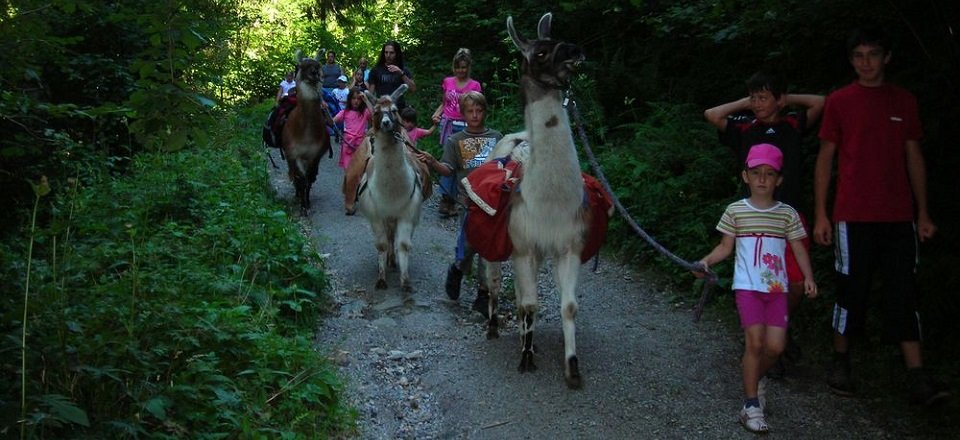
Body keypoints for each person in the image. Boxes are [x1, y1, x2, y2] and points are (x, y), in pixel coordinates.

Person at [814, 27, 950, 406]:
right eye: (858, 55)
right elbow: (826, 159)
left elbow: (914, 158)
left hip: (897, 216)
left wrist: (923, 213)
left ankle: (917, 376)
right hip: (851, 215)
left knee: (904, 293)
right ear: (851, 60)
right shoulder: (839, 101)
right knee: (850, 291)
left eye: (873, 54)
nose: (866, 62)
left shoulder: (903, 101)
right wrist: (822, 214)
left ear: (886, 57)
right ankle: (840, 360)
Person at [703, 71, 825, 378]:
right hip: (755, 223)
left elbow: (821, 102)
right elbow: (712, 114)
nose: (757, 103)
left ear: (780, 99)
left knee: (795, 284)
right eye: (754, 97)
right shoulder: (745, 128)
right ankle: (768, 342)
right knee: (759, 284)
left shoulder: (794, 125)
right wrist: (749, 100)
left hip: (791, 219)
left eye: (763, 98)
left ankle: (778, 327)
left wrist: (783, 99)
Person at [695, 143, 817, 434]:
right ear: (745, 176)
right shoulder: (735, 211)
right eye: (756, 172)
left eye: (769, 173)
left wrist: (809, 278)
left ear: (779, 180)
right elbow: (726, 247)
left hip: (777, 290)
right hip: (747, 288)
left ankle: (754, 378)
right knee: (756, 343)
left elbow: (798, 248)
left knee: (775, 347)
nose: (762, 178)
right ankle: (751, 405)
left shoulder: (787, 214)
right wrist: (705, 262)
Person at [416, 92, 502, 314]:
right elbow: (449, 169)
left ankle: (484, 294)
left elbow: (505, 168)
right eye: (470, 111)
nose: (475, 115)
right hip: (470, 204)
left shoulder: (496, 137)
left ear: (485, 112)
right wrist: (433, 162)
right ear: (463, 114)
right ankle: (457, 269)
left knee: (489, 249)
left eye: (479, 110)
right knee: (469, 247)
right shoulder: (456, 141)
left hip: (493, 204)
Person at [432, 48, 483, 217]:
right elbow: (445, 103)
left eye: (464, 67)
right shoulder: (447, 82)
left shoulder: (475, 85)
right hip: (448, 125)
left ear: (469, 67)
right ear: (454, 67)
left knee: (465, 164)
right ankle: (446, 199)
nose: (461, 70)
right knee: (449, 163)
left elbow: (478, 108)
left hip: (466, 126)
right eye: (458, 67)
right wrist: (437, 112)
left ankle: (457, 199)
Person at [367, 41, 416, 108]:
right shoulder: (376, 70)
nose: (388, 55)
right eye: (386, 52)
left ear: (397, 53)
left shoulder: (403, 69)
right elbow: (370, 94)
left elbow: (413, 89)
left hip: (399, 109)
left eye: (391, 53)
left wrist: (401, 74)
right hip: (382, 109)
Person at [333, 88, 371, 171]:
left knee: (359, 171)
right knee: (348, 172)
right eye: (353, 98)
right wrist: (325, 110)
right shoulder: (344, 112)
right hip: (347, 144)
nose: (356, 101)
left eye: (359, 99)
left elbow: (375, 115)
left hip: (360, 145)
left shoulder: (365, 112)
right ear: (349, 99)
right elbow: (332, 122)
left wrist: (366, 100)